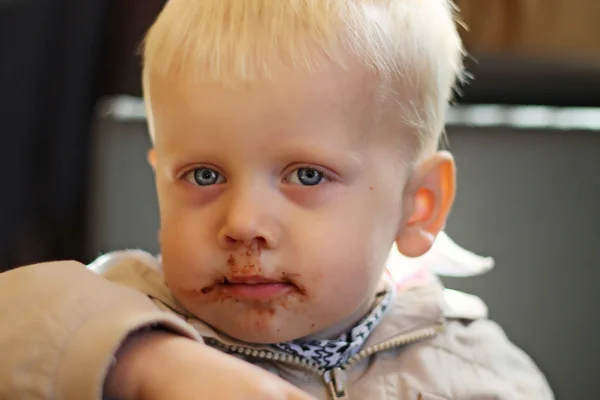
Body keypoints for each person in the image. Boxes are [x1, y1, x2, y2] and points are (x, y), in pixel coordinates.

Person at [0, 0, 553, 399]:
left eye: (307, 176)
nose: (242, 223)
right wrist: (150, 363)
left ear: (419, 205)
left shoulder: (480, 373)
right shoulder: (121, 310)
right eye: (202, 174)